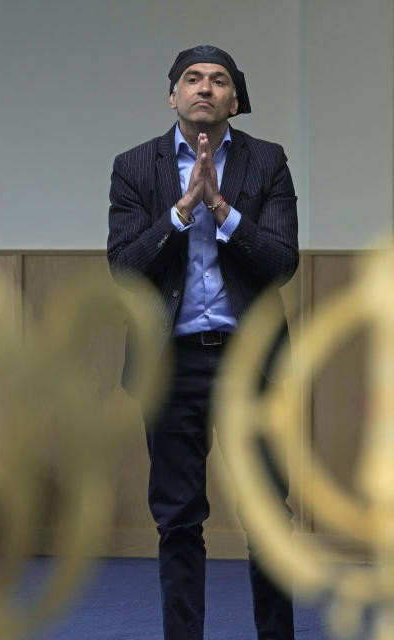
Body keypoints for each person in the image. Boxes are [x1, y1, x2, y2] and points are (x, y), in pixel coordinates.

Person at [107, 45, 299, 640]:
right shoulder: (135, 167)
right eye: (192, 79)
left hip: (252, 365)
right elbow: (125, 266)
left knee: (268, 516)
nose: (205, 88)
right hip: (172, 366)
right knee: (179, 519)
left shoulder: (267, 162)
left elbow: (282, 261)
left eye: (219, 81)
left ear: (234, 100)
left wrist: (221, 204)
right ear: (173, 95)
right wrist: (184, 210)